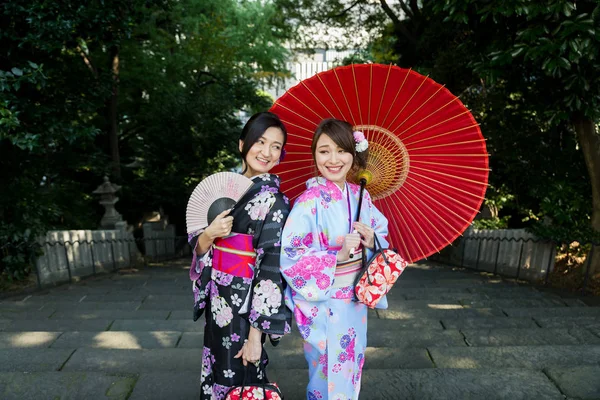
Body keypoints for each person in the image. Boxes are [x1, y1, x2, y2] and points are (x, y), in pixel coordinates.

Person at [280, 118, 389, 400]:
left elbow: (382, 235)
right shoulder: (307, 201)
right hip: (324, 302)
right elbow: (291, 256)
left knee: (352, 364)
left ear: (353, 156)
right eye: (324, 151)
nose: (333, 159)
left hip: (354, 300)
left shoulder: (361, 197)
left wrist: (370, 240)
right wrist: (336, 256)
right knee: (325, 368)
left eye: (341, 150)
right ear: (315, 155)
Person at [188, 112, 292, 400]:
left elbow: (270, 269)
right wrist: (208, 235)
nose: (267, 152)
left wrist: (256, 337)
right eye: (260, 142)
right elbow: (199, 247)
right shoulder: (224, 190)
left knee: (242, 378)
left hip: (245, 308)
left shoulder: (276, 202)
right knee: (216, 371)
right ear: (242, 144)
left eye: (275, 146)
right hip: (217, 300)